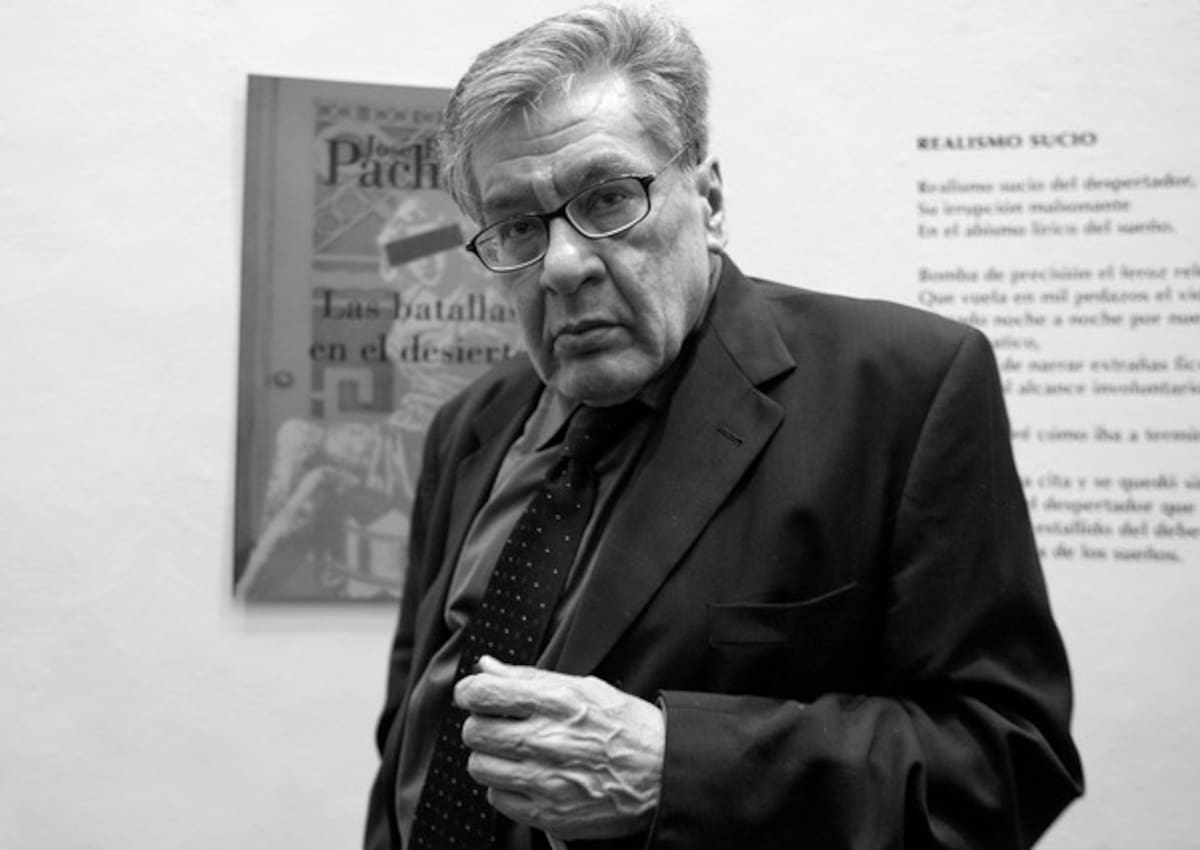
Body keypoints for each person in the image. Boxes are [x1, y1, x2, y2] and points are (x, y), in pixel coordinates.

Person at [364, 5, 1084, 849]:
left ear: (707, 201)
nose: (562, 264)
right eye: (519, 226)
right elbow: (414, 734)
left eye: (608, 198)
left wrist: (673, 768)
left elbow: (1007, 758)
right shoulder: (471, 426)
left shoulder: (901, 390)